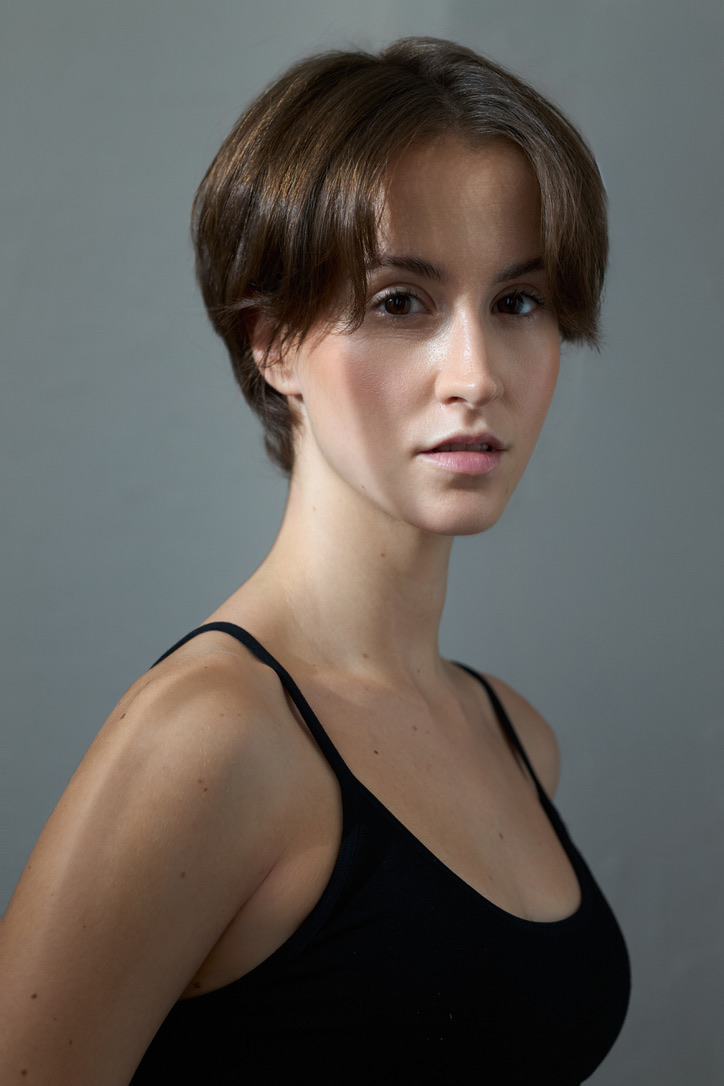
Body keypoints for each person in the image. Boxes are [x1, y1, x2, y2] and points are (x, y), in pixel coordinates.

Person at [0, 37, 630, 1085]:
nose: (475, 375)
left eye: (517, 302)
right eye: (401, 302)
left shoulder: (518, 739)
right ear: (273, 341)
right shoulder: (206, 741)